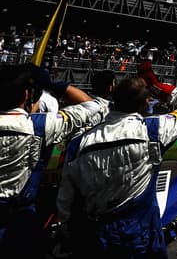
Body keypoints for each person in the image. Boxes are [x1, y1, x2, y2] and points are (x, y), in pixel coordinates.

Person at [57, 74, 177, 259]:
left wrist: (69, 234)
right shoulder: (153, 130)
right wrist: (159, 88)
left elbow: (66, 199)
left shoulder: (78, 143)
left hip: (97, 236)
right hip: (142, 234)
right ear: (146, 102)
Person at [0, 65, 108, 254]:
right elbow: (93, 106)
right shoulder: (41, 125)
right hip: (20, 221)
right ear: (27, 96)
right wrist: (50, 83)